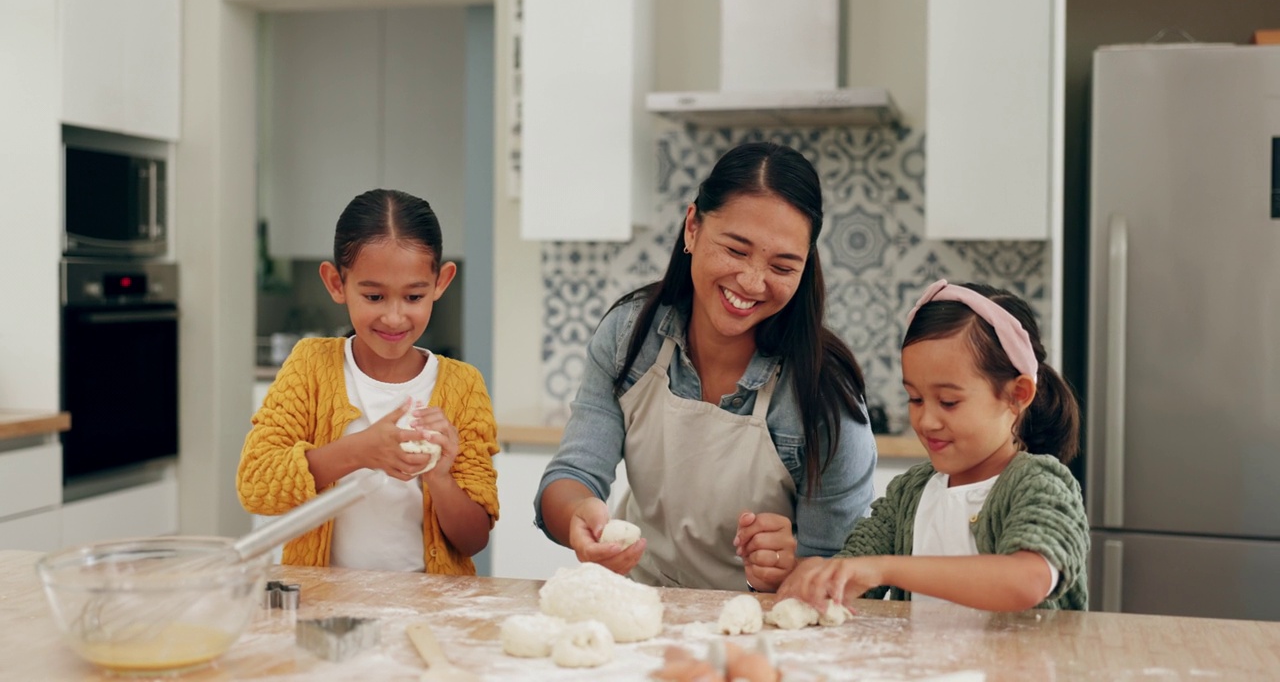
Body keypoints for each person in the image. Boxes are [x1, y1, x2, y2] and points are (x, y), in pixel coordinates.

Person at [535, 141, 878, 592]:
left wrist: (792, 568)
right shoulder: (629, 336)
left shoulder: (823, 397)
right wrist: (580, 515)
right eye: (736, 250)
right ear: (692, 227)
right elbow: (572, 477)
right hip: (641, 602)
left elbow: (849, 580)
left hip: (761, 629)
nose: (753, 282)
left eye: (782, 265)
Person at [778, 279, 1090, 611]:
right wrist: (806, 574)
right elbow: (851, 576)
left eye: (949, 401)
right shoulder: (909, 494)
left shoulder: (1039, 484)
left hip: (1022, 665)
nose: (926, 421)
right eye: (915, 398)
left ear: (1017, 395)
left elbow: (1027, 581)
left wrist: (884, 568)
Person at [237, 189, 498, 574]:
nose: (394, 317)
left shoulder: (463, 386)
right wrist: (361, 450)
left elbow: (474, 539)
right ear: (336, 283)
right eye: (374, 296)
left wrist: (441, 477)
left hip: (429, 612)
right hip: (326, 606)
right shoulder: (311, 367)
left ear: (441, 283)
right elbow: (256, 485)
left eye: (413, 296)